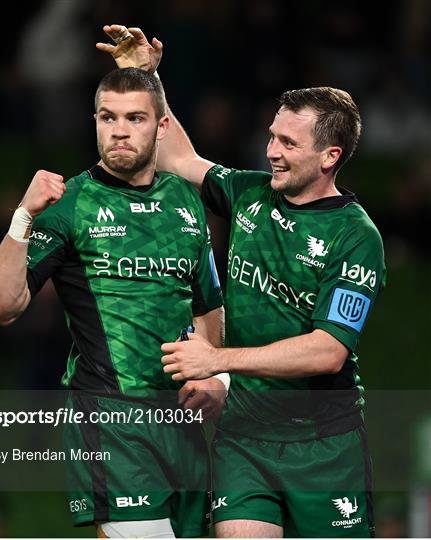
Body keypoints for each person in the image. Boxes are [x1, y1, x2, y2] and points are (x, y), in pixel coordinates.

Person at [99, 25, 387, 538]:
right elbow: (178, 157)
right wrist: (144, 76)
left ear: (330, 157)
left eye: (287, 143)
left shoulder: (356, 237)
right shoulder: (250, 194)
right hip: (245, 439)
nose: (270, 150)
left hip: (326, 445)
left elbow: (328, 352)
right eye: (271, 135)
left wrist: (219, 361)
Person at [0, 67, 227, 538]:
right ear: (93, 120)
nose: (118, 130)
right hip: (110, 422)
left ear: (160, 127)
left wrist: (215, 375)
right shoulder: (70, 202)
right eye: (107, 117)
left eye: (134, 118)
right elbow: (0, 306)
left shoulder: (186, 200)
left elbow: (207, 304)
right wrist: (23, 216)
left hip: (182, 427)